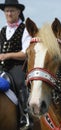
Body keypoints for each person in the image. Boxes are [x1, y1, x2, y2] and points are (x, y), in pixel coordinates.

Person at [0, 0, 32, 129]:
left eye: (12, 11)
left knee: (21, 84)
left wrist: (7, 55)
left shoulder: (24, 29)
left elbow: (26, 53)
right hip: (2, 67)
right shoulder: (2, 30)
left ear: (18, 12)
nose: (9, 13)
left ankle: (26, 117)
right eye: (6, 11)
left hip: (18, 67)